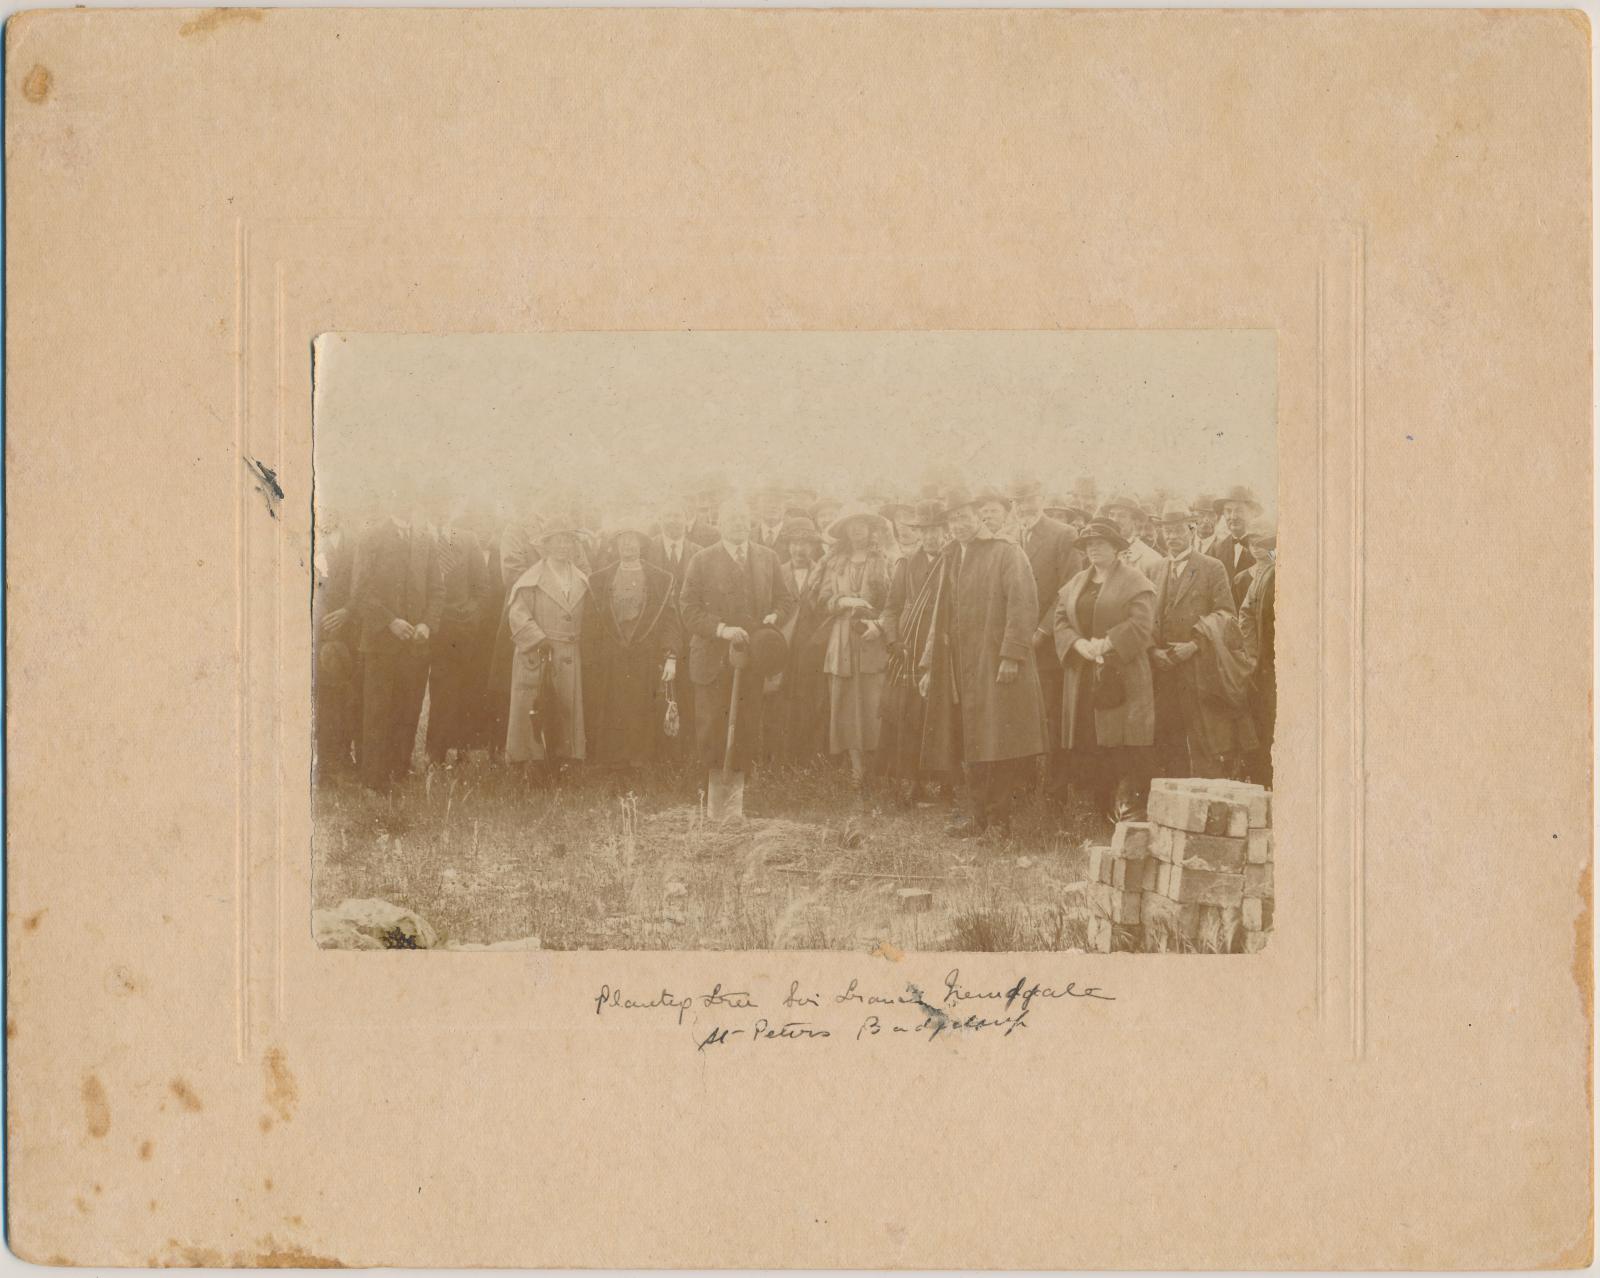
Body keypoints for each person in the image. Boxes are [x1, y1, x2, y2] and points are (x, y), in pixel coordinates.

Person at [916, 487, 1049, 838]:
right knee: (967, 738)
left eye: (964, 517)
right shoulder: (950, 557)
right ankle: (977, 816)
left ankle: (999, 821)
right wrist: (930, 664)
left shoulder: (1006, 553)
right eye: (952, 520)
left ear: (979, 516)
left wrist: (1011, 655)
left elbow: (1024, 605)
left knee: (997, 741)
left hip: (994, 662)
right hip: (958, 667)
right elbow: (938, 615)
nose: (958, 525)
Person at [680, 500, 797, 777]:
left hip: (752, 658)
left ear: (751, 523)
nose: (739, 524)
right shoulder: (702, 559)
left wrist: (775, 617)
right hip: (712, 657)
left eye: (744, 519)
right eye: (732, 519)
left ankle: (740, 788)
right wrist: (721, 629)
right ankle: (710, 787)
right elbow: (688, 608)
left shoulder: (767, 557)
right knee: (711, 725)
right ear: (720, 525)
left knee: (747, 723)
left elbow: (786, 599)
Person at [1053, 519, 1157, 822]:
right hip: (1084, 675)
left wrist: (1108, 643)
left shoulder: (1135, 581)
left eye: (1101, 542)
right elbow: (1060, 620)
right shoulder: (1076, 583)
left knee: (1122, 742)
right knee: (1090, 740)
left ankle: (1128, 811)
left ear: (1116, 547)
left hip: (1122, 675)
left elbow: (1142, 624)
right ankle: (1100, 809)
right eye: (1088, 544)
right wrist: (1077, 644)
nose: (1094, 548)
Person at [351, 481, 444, 791]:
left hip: (416, 646)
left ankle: (398, 773)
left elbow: (437, 590)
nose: (405, 502)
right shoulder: (371, 538)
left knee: (408, 709)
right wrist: (390, 622)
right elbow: (361, 591)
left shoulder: (425, 540)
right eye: (398, 494)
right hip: (381, 643)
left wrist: (427, 624)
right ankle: (373, 781)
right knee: (378, 711)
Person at [1147, 500, 1242, 779]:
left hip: (1199, 668)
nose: (1172, 536)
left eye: (1178, 530)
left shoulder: (1212, 567)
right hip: (1162, 669)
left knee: (1203, 740)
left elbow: (1226, 614)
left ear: (1191, 529)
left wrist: (1194, 645)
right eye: (1167, 531)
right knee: (1166, 736)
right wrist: (1153, 651)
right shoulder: (1154, 568)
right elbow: (1145, 616)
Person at [584, 521, 682, 777]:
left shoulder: (660, 579)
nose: (628, 545)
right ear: (615, 545)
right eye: (622, 540)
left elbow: (671, 621)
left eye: (633, 540)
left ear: (641, 544)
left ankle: (641, 763)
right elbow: (591, 626)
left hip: (645, 656)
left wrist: (671, 656)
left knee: (641, 707)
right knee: (613, 707)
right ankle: (614, 764)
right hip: (611, 657)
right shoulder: (599, 579)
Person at [1010, 477, 1085, 800]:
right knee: (1020, 716)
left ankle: (1055, 793)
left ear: (1041, 497)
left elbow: (1069, 590)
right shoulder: (1011, 537)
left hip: (1049, 645)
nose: (1024, 506)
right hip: (1017, 645)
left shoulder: (1063, 534)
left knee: (1053, 719)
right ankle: (1023, 786)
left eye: (1029, 499)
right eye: (1018, 501)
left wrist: (1041, 631)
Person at [879, 498, 952, 803]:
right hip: (909, 647)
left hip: (945, 647)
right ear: (919, 533)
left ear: (945, 530)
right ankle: (910, 781)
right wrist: (895, 641)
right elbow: (892, 608)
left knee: (944, 715)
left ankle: (946, 783)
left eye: (937, 529)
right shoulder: (907, 564)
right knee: (907, 716)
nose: (932, 536)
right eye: (926, 530)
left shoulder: (955, 560)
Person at [505, 522, 591, 781]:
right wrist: (539, 641)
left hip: (570, 654)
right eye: (557, 541)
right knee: (534, 707)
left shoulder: (581, 578)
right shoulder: (532, 578)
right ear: (547, 546)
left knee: (566, 707)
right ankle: (531, 765)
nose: (563, 546)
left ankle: (565, 763)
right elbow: (517, 615)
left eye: (568, 541)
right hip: (538, 655)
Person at [820, 506, 893, 787]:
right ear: (845, 532)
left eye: (862, 526)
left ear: (870, 530)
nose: (857, 531)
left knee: (873, 703)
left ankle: (877, 770)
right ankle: (856, 770)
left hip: (872, 639)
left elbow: (894, 603)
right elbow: (824, 598)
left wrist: (879, 626)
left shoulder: (884, 560)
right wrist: (843, 601)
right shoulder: (835, 563)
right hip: (842, 642)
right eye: (852, 527)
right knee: (845, 704)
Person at [424, 494, 491, 766]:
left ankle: (446, 751)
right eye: (433, 504)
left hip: (456, 629)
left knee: (453, 691)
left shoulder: (465, 538)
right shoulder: (418, 538)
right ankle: (418, 754)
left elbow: (482, 586)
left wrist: (470, 613)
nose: (440, 510)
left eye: (445, 504)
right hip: (421, 627)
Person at [769, 517, 831, 761]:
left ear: (814, 547)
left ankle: (809, 761)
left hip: (813, 651)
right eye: (795, 543)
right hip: (781, 650)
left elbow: (828, 612)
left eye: (805, 543)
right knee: (779, 703)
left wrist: (816, 645)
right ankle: (779, 759)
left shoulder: (823, 573)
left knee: (811, 703)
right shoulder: (778, 572)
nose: (799, 549)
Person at [644, 499, 699, 755]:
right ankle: (658, 752)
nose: (674, 521)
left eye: (678, 516)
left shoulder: (699, 552)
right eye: (668, 516)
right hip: (654, 634)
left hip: (692, 635)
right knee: (656, 692)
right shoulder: (648, 549)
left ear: (687, 520)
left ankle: (684, 753)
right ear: (660, 519)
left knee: (688, 691)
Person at [313, 502, 360, 778]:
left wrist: (348, 613)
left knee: (346, 696)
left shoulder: (353, 544)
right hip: (320, 629)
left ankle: (342, 755)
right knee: (326, 697)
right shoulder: (308, 540)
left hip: (348, 629)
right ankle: (326, 760)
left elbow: (363, 584)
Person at [1238, 516, 1277, 785]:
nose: (1257, 547)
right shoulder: (1258, 575)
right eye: (1253, 542)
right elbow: (1246, 615)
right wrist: (1252, 657)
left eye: (1264, 543)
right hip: (1264, 664)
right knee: (1264, 723)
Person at [1209, 485, 1264, 602]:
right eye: (1228, 511)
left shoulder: (1264, 548)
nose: (1233, 517)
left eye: (1239, 510)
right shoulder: (1216, 548)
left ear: (1253, 513)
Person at [1101, 494, 1166, 579]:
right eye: (1111, 515)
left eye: (1122, 516)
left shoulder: (1151, 559)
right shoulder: (1099, 551)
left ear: (1135, 521)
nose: (1115, 520)